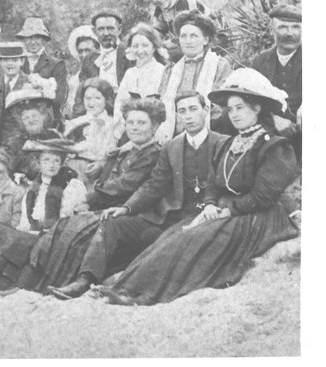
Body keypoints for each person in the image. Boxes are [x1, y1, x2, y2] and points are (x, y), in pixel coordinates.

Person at [98, 69, 299, 305]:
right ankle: (129, 288)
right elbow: (214, 183)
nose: (234, 114)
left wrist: (226, 211)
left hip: (258, 216)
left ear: (257, 108)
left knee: (199, 239)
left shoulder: (275, 146)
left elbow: (263, 196)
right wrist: (210, 204)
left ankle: (149, 295)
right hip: (227, 209)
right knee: (175, 235)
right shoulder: (230, 143)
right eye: (230, 109)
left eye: (240, 107)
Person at [72, 91, 228, 302]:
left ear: (206, 111)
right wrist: (126, 208)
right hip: (174, 215)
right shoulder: (172, 146)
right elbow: (154, 185)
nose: (188, 116)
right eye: (182, 111)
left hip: (208, 216)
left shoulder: (223, 143)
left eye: (193, 109)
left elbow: (229, 184)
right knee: (114, 222)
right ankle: (85, 279)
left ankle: (133, 293)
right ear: (177, 117)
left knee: (167, 246)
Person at [24, 98, 164, 298]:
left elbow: (126, 185)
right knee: (70, 224)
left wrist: (89, 200)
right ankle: (54, 279)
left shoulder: (153, 154)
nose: (134, 128)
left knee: (102, 224)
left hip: (142, 214)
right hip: (116, 207)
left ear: (155, 126)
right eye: (130, 123)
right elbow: (108, 181)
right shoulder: (127, 151)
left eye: (141, 123)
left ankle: (85, 279)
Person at [157, 10, 232, 141]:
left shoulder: (219, 65)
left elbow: (220, 105)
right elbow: (161, 104)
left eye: (193, 36)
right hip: (173, 134)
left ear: (205, 39)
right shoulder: (171, 69)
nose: (188, 41)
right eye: (183, 36)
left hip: (210, 132)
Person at [250, 3, 302, 163]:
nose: (290, 33)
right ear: (272, 30)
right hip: (271, 127)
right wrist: (274, 118)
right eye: (283, 27)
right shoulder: (260, 61)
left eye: (296, 27)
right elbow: (251, 98)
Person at [64, 78, 122, 187]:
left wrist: (101, 164)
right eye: (88, 98)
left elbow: (114, 153)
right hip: (73, 168)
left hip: (99, 173)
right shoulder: (74, 123)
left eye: (97, 98)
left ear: (106, 99)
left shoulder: (114, 124)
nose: (92, 103)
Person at [21, 138, 88, 232]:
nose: (51, 165)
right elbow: (25, 223)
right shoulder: (32, 191)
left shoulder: (74, 186)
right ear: (39, 163)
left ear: (61, 163)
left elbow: (81, 219)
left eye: (56, 161)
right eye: (46, 160)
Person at [139, 0, 207, 61]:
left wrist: (167, 43)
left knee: (165, 56)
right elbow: (158, 30)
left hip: (207, 39)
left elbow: (191, 31)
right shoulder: (160, 9)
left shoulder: (184, 2)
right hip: (184, 41)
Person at [1, 76, 61, 178]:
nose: (31, 120)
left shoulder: (54, 136)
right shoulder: (14, 143)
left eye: (34, 115)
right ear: (21, 121)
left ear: (43, 116)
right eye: (26, 118)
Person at [16, 17, 68, 112]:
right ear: (23, 39)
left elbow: (59, 99)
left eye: (37, 37)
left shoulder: (56, 65)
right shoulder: (17, 63)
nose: (33, 42)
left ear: (44, 40)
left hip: (48, 116)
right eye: (29, 37)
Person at [114, 23, 167, 113]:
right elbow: (119, 106)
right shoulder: (130, 74)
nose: (140, 51)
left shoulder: (162, 72)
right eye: (135, 46)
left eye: (145, 45)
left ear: (153, 47)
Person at [0, 42, 29, 144]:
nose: (10, 64)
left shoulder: (30, 84)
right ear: (0, 62)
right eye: (6, 60)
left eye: (14, 60)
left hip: (23, 142)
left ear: (22, 61)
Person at [78, 11, 133, 88]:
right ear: (94, 31)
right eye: (100, 29)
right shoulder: (89, 59)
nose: (106, 33)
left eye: (110, 28)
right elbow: (83, 89)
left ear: (119, 29)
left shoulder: (130, 54)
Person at [65, 26, 98, 117]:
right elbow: (72, 107)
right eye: (80, 51)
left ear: (97, 50)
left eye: (88, 50)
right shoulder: (74, 80)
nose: (84, 55)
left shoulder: (107, 71)